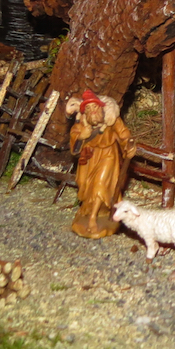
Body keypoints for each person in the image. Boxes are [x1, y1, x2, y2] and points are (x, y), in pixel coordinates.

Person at [68, 90, 136, 239]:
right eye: (88, 108)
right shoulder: (81, 124)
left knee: (100, 184)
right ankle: (90, 211)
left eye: (95, 107)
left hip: (108, 155)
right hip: (89, 157)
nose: (92, 111)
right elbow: (74, 142)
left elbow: (124, 134)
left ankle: (93, 218)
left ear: (101, 107)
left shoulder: (112, 120)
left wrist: (128, 146)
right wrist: (81, 137)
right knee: (83, 184)